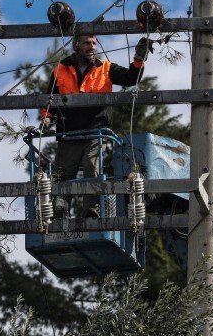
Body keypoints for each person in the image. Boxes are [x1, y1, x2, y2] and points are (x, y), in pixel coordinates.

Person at [39, 34, 150, 217]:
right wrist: (47, 117)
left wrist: (139, 58)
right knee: (63, 173)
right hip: (69, 132)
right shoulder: (61, 69)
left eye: (94, 43)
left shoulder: (106, 68)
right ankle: (60, 208)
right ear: (76, 46)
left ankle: (92, 209)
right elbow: (49, 98)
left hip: (96, 131)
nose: (92, 47)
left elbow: (131, 78)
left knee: (92, 167)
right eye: (87, 43)